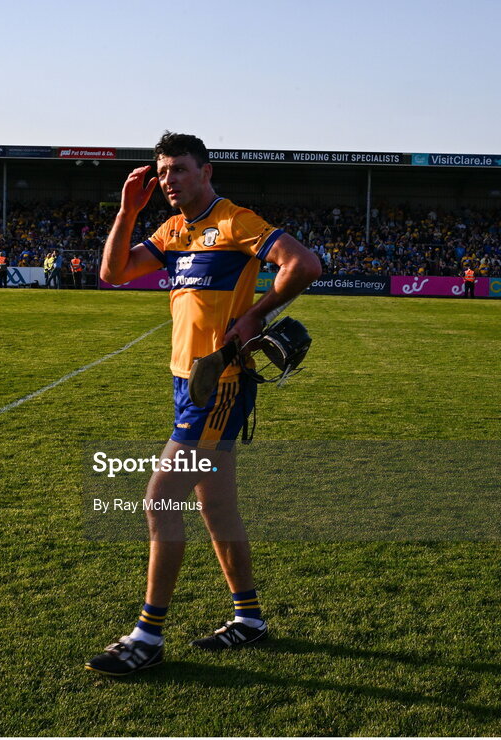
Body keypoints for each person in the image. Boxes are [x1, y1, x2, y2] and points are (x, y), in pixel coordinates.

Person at [85, 132, 321, 676]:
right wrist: (127, 210)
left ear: (206, 171)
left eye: (179, 170)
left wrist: (254, 317)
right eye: (162, 171)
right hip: (187, 384)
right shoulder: (173, 229)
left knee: (159, 498)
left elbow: (303, 265)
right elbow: (113, 273)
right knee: (216, 508)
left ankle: (146, 636)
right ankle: (250, 619)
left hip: (219, 386)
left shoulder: (234, 221)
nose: (169, 179)